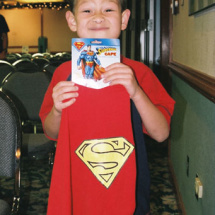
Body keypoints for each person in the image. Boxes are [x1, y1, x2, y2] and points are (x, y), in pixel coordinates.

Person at [39, 0, 175, 214]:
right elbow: (50, 132)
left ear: (124, 19)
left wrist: (136, 92)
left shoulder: (138, 73)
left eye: (108, 9)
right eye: (87, 10)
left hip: (128, 183)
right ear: (72, 20)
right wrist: (57, 110)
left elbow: (161, 134)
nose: (98, 16)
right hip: (76, 182)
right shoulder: (63, 74)